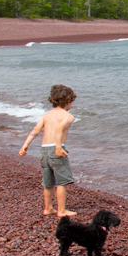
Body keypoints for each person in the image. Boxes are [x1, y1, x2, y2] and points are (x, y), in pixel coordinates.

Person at [19, 85, 77, 217]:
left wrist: (25, 144)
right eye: (71, 102)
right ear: (68, 100)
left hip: (43, 151)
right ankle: (61, 210)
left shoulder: (46, 116)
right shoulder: (68, 116)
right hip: (56, 149)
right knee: (62, 181)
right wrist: (58, 147)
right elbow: (59, 130)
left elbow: (35, 131)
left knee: (48, 182)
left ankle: (48, 208)